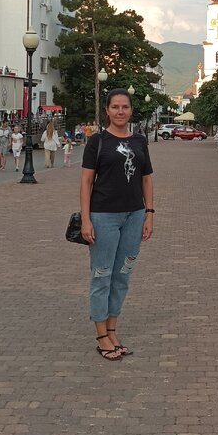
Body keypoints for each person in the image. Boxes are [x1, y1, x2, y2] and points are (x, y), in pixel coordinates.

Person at [80, 88, 154, 361]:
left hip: (134, 216)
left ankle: (112, 330)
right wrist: (86, 219)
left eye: (125, 107)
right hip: (103, 217)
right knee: (102, 275)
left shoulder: (139, 141)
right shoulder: (97, 141)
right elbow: (86, 182)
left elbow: (146, 178)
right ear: (107, 111)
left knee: (122, 275)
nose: (120, 111)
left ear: (131, 110)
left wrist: (149, 213)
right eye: (115, 107)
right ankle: (101, 335)